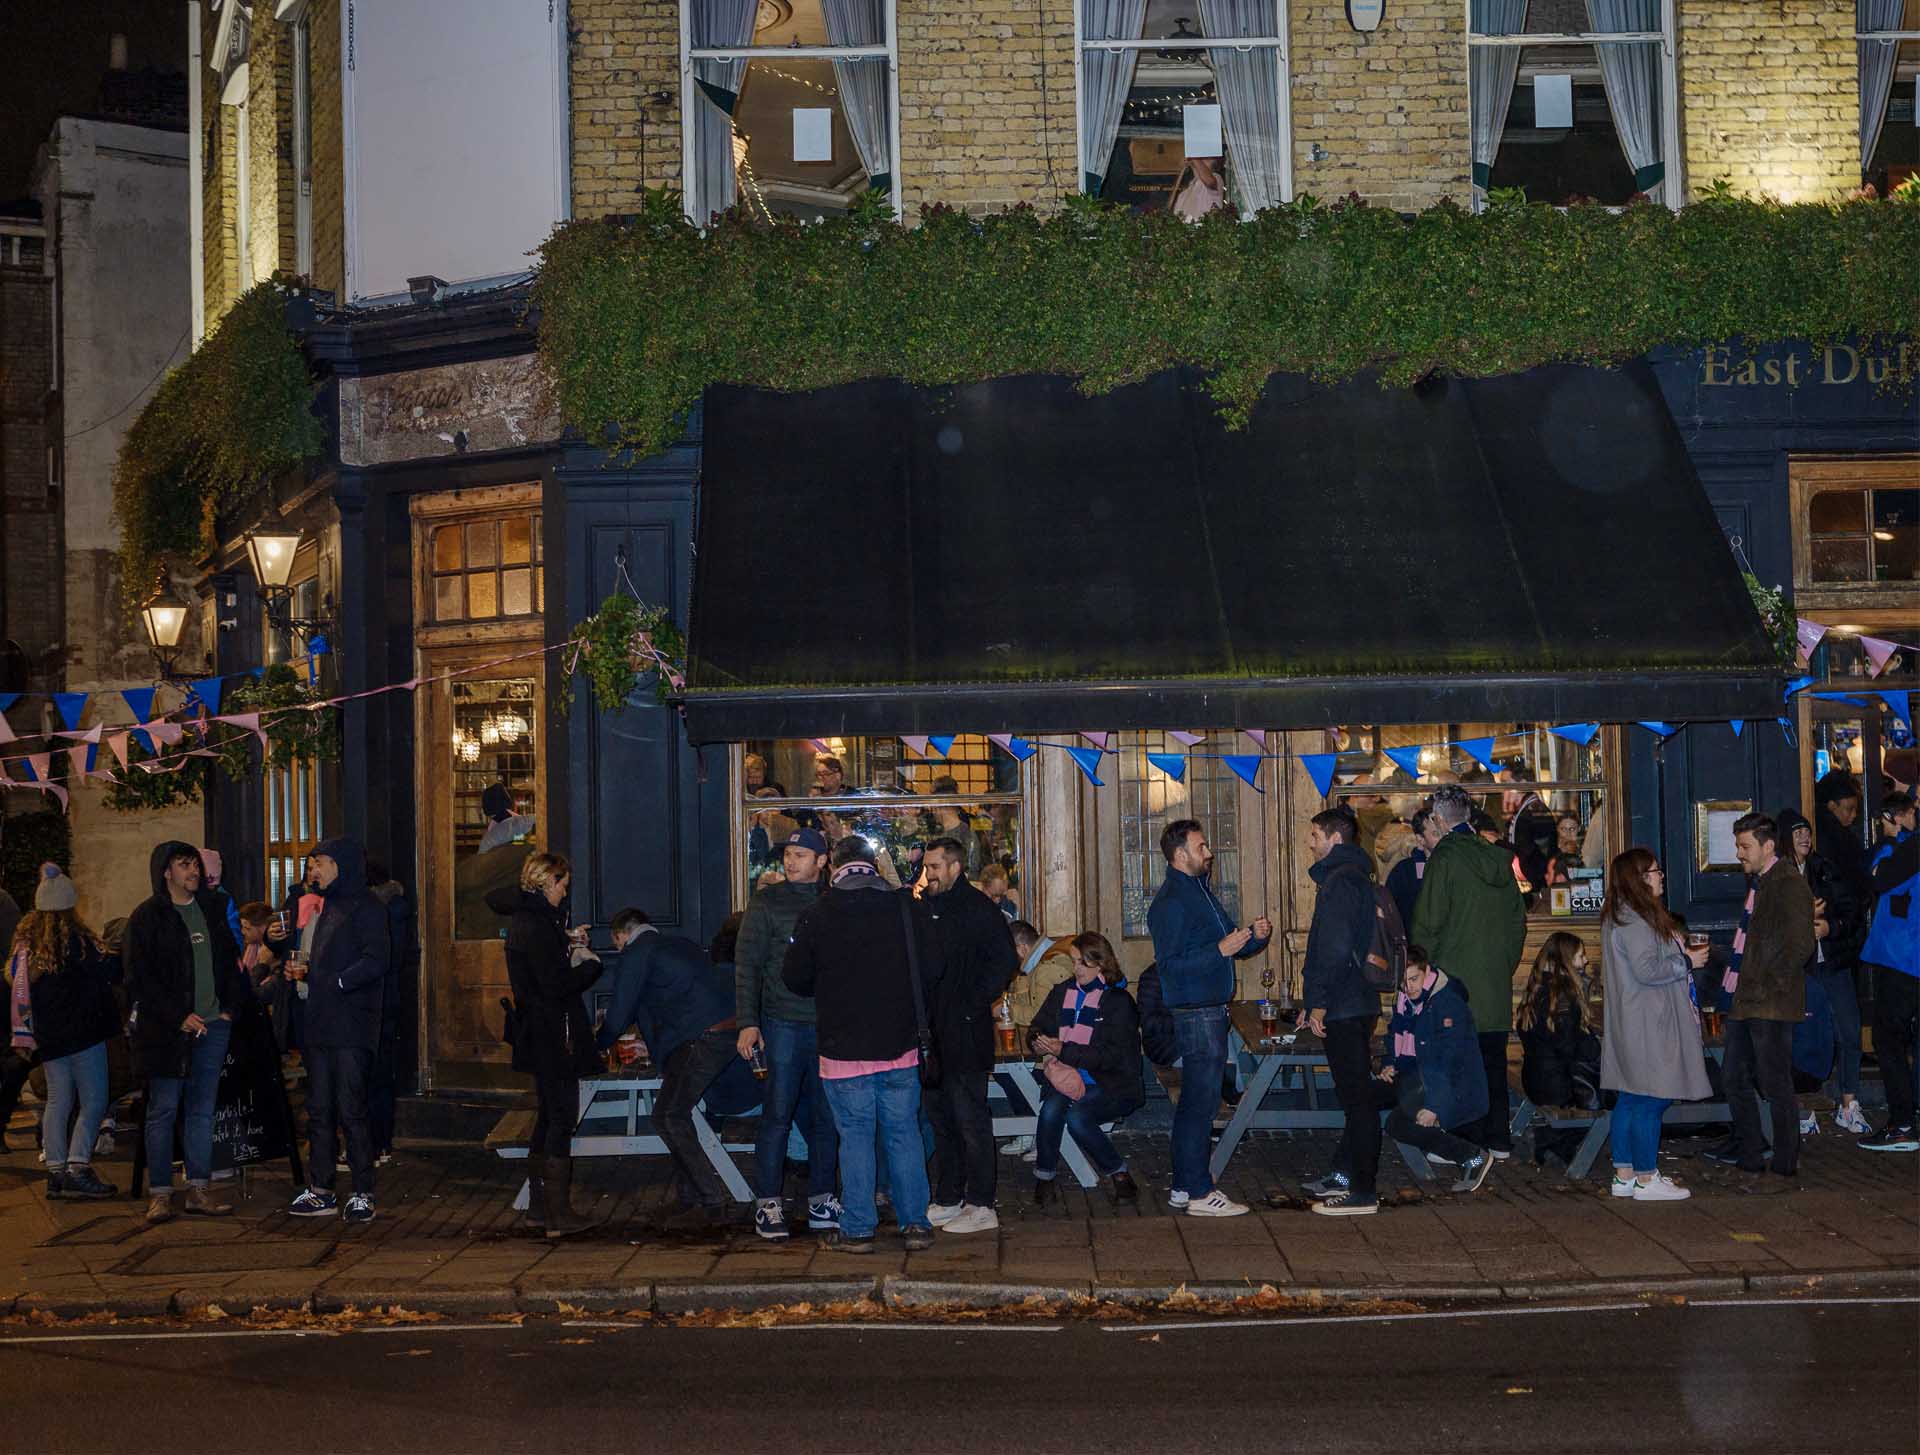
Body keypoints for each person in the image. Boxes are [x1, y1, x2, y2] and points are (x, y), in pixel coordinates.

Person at [781, 835, 940, 1253]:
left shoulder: (817, 914)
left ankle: (858, 1228)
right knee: (903, 1132)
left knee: (853, 1135)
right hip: (899, 1043)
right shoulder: (907, 907)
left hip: (842, 1046)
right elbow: (933, 968)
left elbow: (794, 979)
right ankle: (916, 1224)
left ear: (833, 863)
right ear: (873, 865)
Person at [1146, 817, 1270, 1218]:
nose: (1209, 852)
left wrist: (1254, 937)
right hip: (1196, 1013)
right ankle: (1201, 1192)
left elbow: (1228, 946)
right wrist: (1219, 949)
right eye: (1202, 847)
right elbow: (1171, 966)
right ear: (1180, 855)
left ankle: (1184, 1186)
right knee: (1201, 1104)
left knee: (1196, 1104)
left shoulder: (1201, 893)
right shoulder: (1170, 903)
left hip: (1211, 1009)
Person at [124, 842, 248, 1223]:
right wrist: (177, 1015)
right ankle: (160, 1193)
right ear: (166, 872)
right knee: (162, 1110)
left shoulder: (210, 908)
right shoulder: (147, 918)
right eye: (184, 865)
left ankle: (198, 1189)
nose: (193, 871)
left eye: (194, 863)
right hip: (167, 1032)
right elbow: (139, 978)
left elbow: (231, 961)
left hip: (213, 1027)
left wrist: (229, 1008)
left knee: (201, 1111)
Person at [489, 852, 605, 1238]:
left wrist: (569, 943)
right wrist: (590, 965)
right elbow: (555, 985)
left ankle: (541, 1210)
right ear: (547, 882)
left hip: (537, 1032)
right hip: (555, 1033)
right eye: (562, 885)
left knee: (547, 1115)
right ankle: (557, 1214)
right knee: (560, 1116)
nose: (565, 892)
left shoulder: (529, 920)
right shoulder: (537, 924)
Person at [1411, 784, 1527, 1160]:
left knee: (1459, 1063)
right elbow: (1517, 923)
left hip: (1454, 982)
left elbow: (1428, 923)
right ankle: (1498, 1139)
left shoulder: (1444, 858)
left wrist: (1428, 972)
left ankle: (1463, 1144)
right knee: (1492, 1061)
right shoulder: (1498, 858)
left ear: (1439, 820)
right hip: (1493, 979)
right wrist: (1501, 965)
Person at [735, 828, 837, 1242]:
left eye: (800, 854)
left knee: (827, 1118)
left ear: (822, 860)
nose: (791, 861)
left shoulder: (835, 902)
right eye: (788, 854)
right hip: (781, 1024)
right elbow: (748, 966)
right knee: (777, 1114)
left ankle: (822, 1197)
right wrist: (748, 1020)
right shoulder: (767, 903)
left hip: (829, 1025)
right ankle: (768, 1203)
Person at [285, 838, 390, 1224]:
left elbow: (377, 960)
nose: (315, 871)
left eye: (322, 863)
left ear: (343, 865)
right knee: (319, 1109)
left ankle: (363, 1190)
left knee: (351, 1108)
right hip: (320, 1023)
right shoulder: (325, 905)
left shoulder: (368, 907)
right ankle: (321, 1189)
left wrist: (337, 982)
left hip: (352, 1025)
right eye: (314, 864)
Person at [1598, 849, 1711, 1200]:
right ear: (1640, 878)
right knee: (1652, 1097)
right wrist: (1686, 961)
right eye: (1655, 871)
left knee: (1631, 1098)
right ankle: (1647, 1178)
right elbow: (1648, 970)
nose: (1662, 875)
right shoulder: (1635, 920)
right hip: (1648, 1021)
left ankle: (1625, 1174)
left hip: (1635, 1018)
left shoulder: (1621, 916)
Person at [921, 835, 1020, 1235]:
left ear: (955, 867)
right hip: (936, 1033)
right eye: (927, 867)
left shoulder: (977, 909)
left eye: (934, 867)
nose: (928, 874)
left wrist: (971, 1003)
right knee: (942, 1119)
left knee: (970, 1120)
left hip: (964, 1032)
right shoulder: (930, 906)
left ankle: (981, 1202)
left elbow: (1004, 961)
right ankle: (948, 1196)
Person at [10, 864, 121, 1199]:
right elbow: (110, 972)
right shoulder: (80, 943)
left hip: (51, 1038)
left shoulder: (27, 948)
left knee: (58, 1100)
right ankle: (78, 1166)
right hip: (85, 1034)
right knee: (94, 1100)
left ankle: (55, 1171)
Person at [1717, 814, 1815, 1188]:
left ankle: (1785, 1164)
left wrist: (1768, 982)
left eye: (1746, 846)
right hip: (1747, 997)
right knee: (1734, 1077)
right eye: (1739, 846)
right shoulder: (1761, 881)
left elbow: (1800, 943)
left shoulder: (1787, 883)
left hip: (1769, 1001)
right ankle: (1750, 1155)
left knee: (1775, 1083)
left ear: (1768, 846)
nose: (1739, 853)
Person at [1300, 808, 1387, 1217]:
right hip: (1355, 1000)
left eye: (1315, 834)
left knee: (1358, 1100)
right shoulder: (1354, 877)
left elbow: (1332, 949)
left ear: (1335, 838)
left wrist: (1318, 1001)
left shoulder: (1341, 881)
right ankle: (1344, 1173)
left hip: (1345, 1003)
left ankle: (1363, 1191)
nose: (1311, 841)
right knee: (1357, 1095)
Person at [1026, 932, 1143, 1205]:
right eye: (1074, 961)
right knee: (1050, 1112)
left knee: (1078, 1118)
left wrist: (1063, 1050)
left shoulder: (1119, 1002)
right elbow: (1037, 1025)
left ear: (1100, 964)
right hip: (1068, 1077)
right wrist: (1038, 1042)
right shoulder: (1063, 991)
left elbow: (1113, 1057)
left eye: (1081, 963)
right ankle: (1045, 1177)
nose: (1075, 969)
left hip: (1110, 1083)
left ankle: (1119, 1173)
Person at [1774, 807, 1870, 1135]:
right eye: (1797, 831)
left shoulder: (1826, 871)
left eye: (1807, 831)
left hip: (1830, 964)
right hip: (1796, 971)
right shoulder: (1775, 876)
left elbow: (1851, 912)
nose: (1805, 836)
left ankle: (1848, 1103)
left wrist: (1830, 927)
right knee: (1799, 1039)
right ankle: (1802, 1107)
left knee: (1848, 1030)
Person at [1374, 948, 1496, 1195]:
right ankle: (1468, 1155)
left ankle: (1472, 1157)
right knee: (1374, 1107)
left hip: (1451, 1085)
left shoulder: (1446, 1002)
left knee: (1399, 1121)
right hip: (1415, 1076)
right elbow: (1395, 1036)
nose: (1408, 988)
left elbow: (1448, 1060)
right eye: (1402, 982)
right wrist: (1389, 1062)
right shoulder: (1405, 1001)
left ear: (1427, 971)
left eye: (1413, 978)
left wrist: (1434, 1106)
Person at [1858, 798, 1918, 1152]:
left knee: (1888, 1040)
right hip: (1905, 958)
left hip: (1903, 960)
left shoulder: (1907, 851)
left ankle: (1903, 1124)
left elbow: (1879, 879)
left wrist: (1895, 840)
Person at [1516, 932, 1602, 1166]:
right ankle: (1548, 1140)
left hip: (1534, 1076)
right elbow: (1570, 1046)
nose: (1585, 961)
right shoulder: (1564, 995)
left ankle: (1554, 1146)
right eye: (1581, 956)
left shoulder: (1539, 986)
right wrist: (1597, 1050)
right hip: (1557, 1085)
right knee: (1607, 1097)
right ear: (1566, 960)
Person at [364, 862, 417, 1167]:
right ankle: (380, 1143)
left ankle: (372, 1144)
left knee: (371, 1074)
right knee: (380, 1074)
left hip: (375, 1000)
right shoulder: (394, 908)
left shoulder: (375, 911)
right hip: (389, 998)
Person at [238, 900, 293, 1055]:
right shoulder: (252, 949)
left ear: (262, 928)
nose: (242, 932)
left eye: (246, 927)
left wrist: (262, 966)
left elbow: (255, 994)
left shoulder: (275, 958)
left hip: (275, 1033)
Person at [1386, 808, 1442, 936]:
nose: (1444, 839)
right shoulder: (1404, 873)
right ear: (1420, 839)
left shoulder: (1458, 865)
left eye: (1444, 832)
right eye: (1435, 834)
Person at [1814, 770, 1869, 893]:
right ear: (1832, 806)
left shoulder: (1838, 833)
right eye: (1849, 809)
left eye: (1856, 809)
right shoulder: (1836, 838)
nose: (1854, 815)